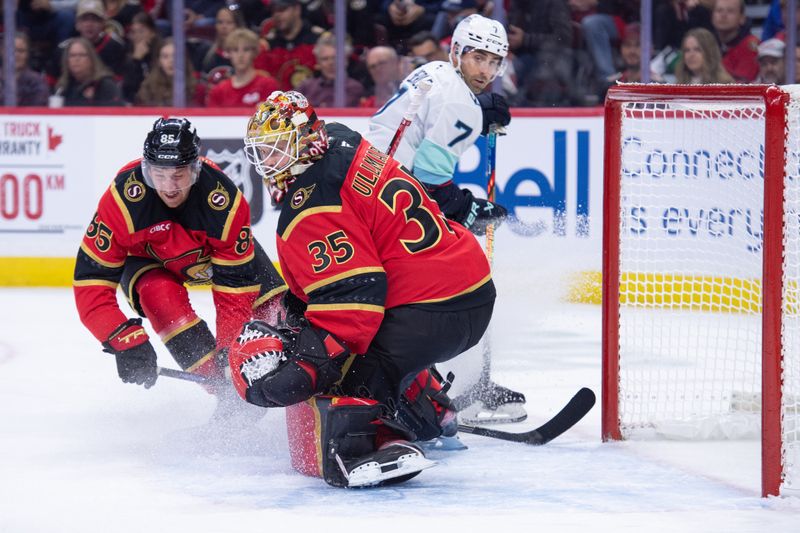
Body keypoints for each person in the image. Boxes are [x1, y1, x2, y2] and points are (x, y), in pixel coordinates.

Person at [230, 90, 495, 488]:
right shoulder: (340, 139)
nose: (267, 164)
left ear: (304, 143)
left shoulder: (312, 207)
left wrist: (307, 363)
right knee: (379, 346)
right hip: (465, 284)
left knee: (348, 370)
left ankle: (384, 442)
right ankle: (431, 405)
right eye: (263, 152)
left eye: (276, 150)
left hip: (436, 307)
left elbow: (355, 300)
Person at [364, 14, 525, 424]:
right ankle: (438, 391)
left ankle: (428, 387)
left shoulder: (433, 71)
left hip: (369, 189)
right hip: (388, 206)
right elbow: (431, 186)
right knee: (463, 287)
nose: (486, 71)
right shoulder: (460, 103)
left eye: (494, 61)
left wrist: (476, 111)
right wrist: (470, 207)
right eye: (478, 58)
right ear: (457, 52)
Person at [73, 118, 287, 419]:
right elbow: (90, 281)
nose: (169, 187)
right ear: (146, 170)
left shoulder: (224, 204)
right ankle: (225, 393)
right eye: (158, 175)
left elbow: (234, 293)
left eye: (179, 175)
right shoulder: (121, 199)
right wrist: (121, 338)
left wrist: (231, 353)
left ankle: (294, 383)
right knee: (159, 296)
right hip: (147, 263)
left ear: (196, 168)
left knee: (281, 312)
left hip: (213, 256)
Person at [206, 28, 280, 108]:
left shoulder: (268, 85)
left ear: (254, 52)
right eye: (235, 50)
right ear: (228, 53)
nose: (240, 55)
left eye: (246, 50)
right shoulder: (218, 91)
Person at [297, 32, 365, 107]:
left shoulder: (354, 87)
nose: (331, 63)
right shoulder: (306, 87)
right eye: (325, 59)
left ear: (345, 61)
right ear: (318, 63)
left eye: (335, 58)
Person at [54, 37, 124, 106]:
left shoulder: (105, 85)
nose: (76, 59)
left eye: (82, 55)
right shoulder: (63, 86)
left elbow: (115, 112)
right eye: (72, 55)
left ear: (91, 59)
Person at [711, 0, 760, 82]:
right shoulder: (708, 44)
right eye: (719, 10)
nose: (723, 15)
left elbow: (742, 84)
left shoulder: (749, 46)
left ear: (742, 18)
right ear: (712, 16)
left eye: (730, 11)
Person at [0, 32, 50, 106]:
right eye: (12, 50)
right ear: (2, 51)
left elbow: (37, 110)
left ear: (27, 54)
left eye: (21, 51)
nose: (16, 55)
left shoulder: (37, 82)